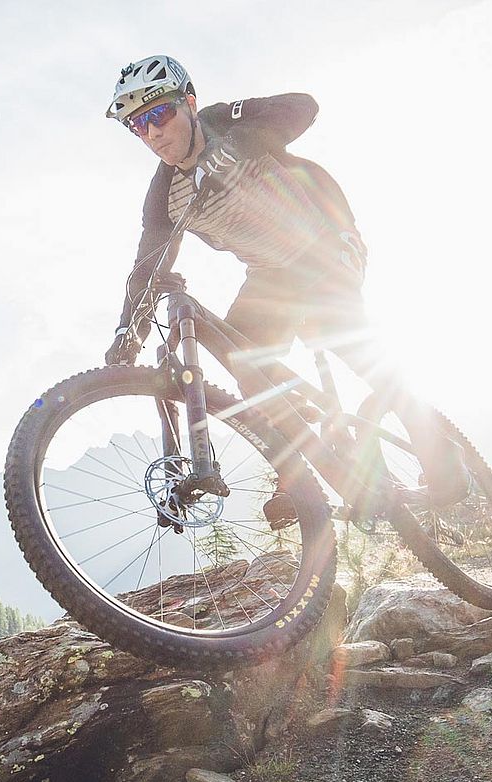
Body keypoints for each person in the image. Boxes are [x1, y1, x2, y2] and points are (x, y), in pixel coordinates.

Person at [101, 54, 465, 514]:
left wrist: (242, 145)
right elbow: (146, 267)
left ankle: (440, 456)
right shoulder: (163, 194)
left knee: (354, 346)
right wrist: (124, 336)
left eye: (159, 113)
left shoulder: (222, 122)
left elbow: (302, 106)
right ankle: (298, 475)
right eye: (138, 125)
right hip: (271, 275)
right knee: (244, 362)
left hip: (323, 241)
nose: (152, 133)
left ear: (189, 103)